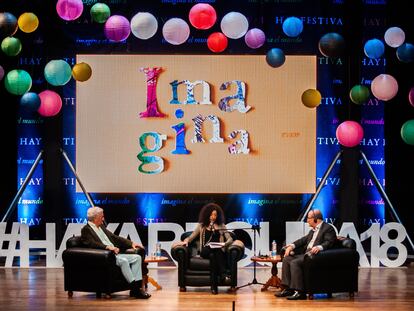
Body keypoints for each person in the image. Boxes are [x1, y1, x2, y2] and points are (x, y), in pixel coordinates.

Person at [81, 206, 151, 299]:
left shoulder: (101, 227)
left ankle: (136, 288)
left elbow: (114, 237)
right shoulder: (86, 230)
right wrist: (107, 247)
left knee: (137, 257)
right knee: (124, 261)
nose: (103, 218)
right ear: (95, 217)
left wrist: (131, 243)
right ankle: (135, 290)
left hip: (115, 254)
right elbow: (91, 244)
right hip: (105, 256)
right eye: (102, 216)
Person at [275, 209, 337, 300]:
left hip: (315, 256)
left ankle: (300, 292)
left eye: (309, 218)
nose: (307, 220)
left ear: (316, 219)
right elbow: (303, 240)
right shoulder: (312, 230)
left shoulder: (328, 228)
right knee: (287, 259)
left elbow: (329, 242)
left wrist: (319, 247)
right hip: (306, 255)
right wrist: (291, 246)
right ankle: (288, 289)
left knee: (295, 262)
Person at [177, 202, 233, 294]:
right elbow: (191, 237)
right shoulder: (202, 226)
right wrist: (186, 241)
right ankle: (224, 274)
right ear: (207, 215)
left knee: (213, 256)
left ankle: (214, 287)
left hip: (216, 250)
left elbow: (230, 238)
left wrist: (225, 244)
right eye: (211, 214)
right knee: (214, 252)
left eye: (215, 215)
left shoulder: (221, 226)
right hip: (205, 250)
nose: (213, 217)